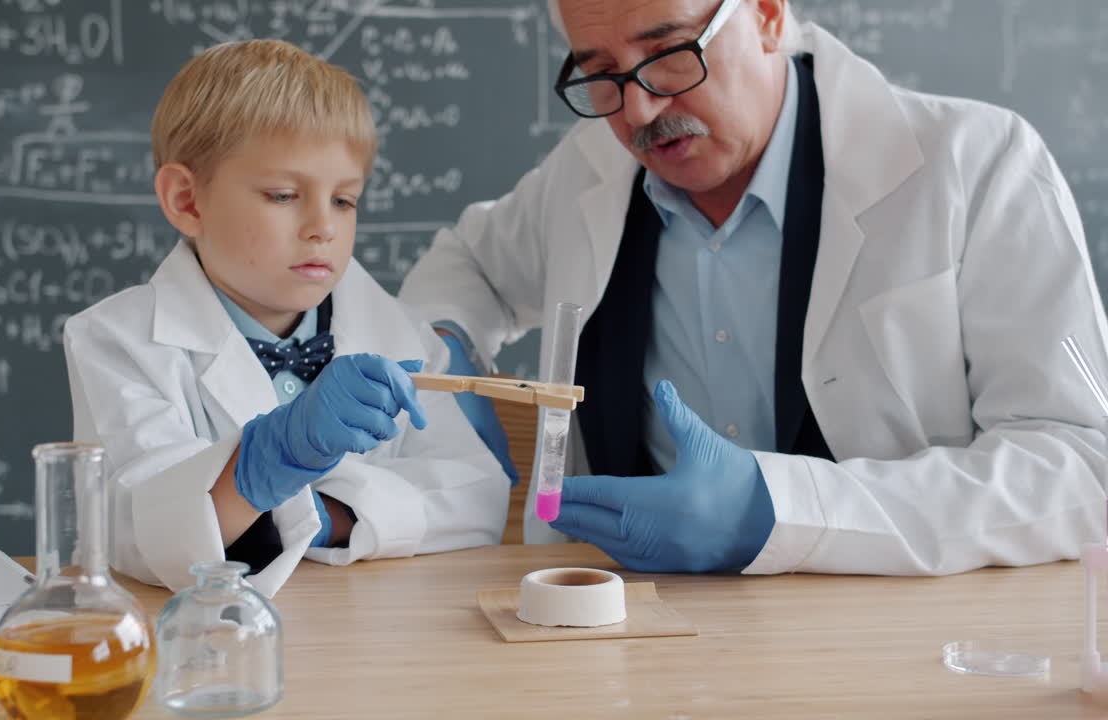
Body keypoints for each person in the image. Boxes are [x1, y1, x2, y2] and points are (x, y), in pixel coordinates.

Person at [400, 0, 1108, 575]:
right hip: (638, 631)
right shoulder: (588, 172)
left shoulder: (977, 164)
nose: (638, 112)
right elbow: (466, 263)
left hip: (902, 641)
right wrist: (448, 347)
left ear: (767, 14)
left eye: (669, 52)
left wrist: (781, 510)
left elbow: (1080, 467)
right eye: (602, 73)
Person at [64, 39, 509, 595]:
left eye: (344, 200)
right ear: (187, 201)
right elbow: (133, 533)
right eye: (282, 195)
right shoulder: (117, 341)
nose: (323, 227)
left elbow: (477, 501)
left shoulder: (404, 336)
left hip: (375, 627)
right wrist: (265, 461)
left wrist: (319, 517)